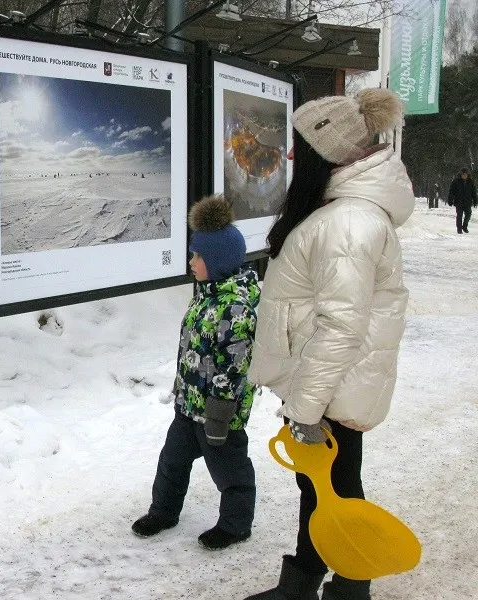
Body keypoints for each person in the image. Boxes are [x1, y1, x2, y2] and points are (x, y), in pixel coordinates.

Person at [243, 89, 414, 600]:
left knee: (335, 489)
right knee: (321, 487)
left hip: (331, 390)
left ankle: (349, 586)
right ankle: (308, 580)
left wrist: (307, 410)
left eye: (299, 144)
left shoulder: (348, 222)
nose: (291, 155)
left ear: (328, 150)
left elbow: (342, 326)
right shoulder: (342, 210)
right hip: (328, 385)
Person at [131, 194, 259, 551]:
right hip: (189, 406)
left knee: (230, 473)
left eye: (196, 256)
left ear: (215, 261)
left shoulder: (235, 308)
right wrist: (181, 390)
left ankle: (236, 525)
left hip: (219, 414)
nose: (191, 261)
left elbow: (235, 368)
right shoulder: (207, 295)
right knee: (172, 461)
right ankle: (164, 511)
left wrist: (219, 415)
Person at [447, 167, 477, 233]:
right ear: (461, 174)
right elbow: (451, 191)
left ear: (468, 174)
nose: (464, 175)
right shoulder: (456, 182)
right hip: (458, 201)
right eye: (463, 174)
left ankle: (464, 226)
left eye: (466, 174)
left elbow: (474, 192)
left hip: (468, 202)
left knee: (468, 214)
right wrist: (450, 200)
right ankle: (459, 229)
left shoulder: (471, 182)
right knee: (459, 215)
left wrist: (475, 200)